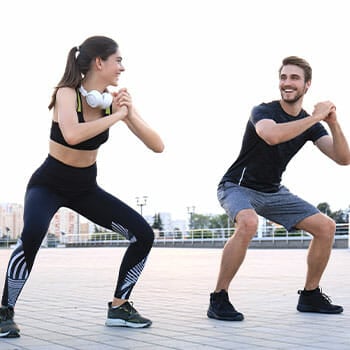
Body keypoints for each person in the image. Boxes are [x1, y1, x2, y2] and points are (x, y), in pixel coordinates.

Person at [0, 35, 164, 338]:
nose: (122, 68)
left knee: (143, 234)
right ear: (99, 62)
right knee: (33, 234)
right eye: (118, 60)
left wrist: (128, 113)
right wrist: (116, 117)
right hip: (48, 184)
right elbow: (73, 135)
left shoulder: (113, 102)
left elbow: (158, 145)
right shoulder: (66, 94)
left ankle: (119, 306)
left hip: (85, 188)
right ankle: (4, 311)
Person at [208, 56, 350, 321]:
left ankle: (310, 295)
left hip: (272, 191)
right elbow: (272, 136)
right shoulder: (263, 111)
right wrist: (316, 117)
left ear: (307, 85)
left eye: (294, 78)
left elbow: (343, 158)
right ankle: (219, 297)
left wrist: (331, 122)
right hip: (238, 186)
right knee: (248, 222)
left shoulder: (311, 123)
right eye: (283, 77)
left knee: (326, 227)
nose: (287, 83)